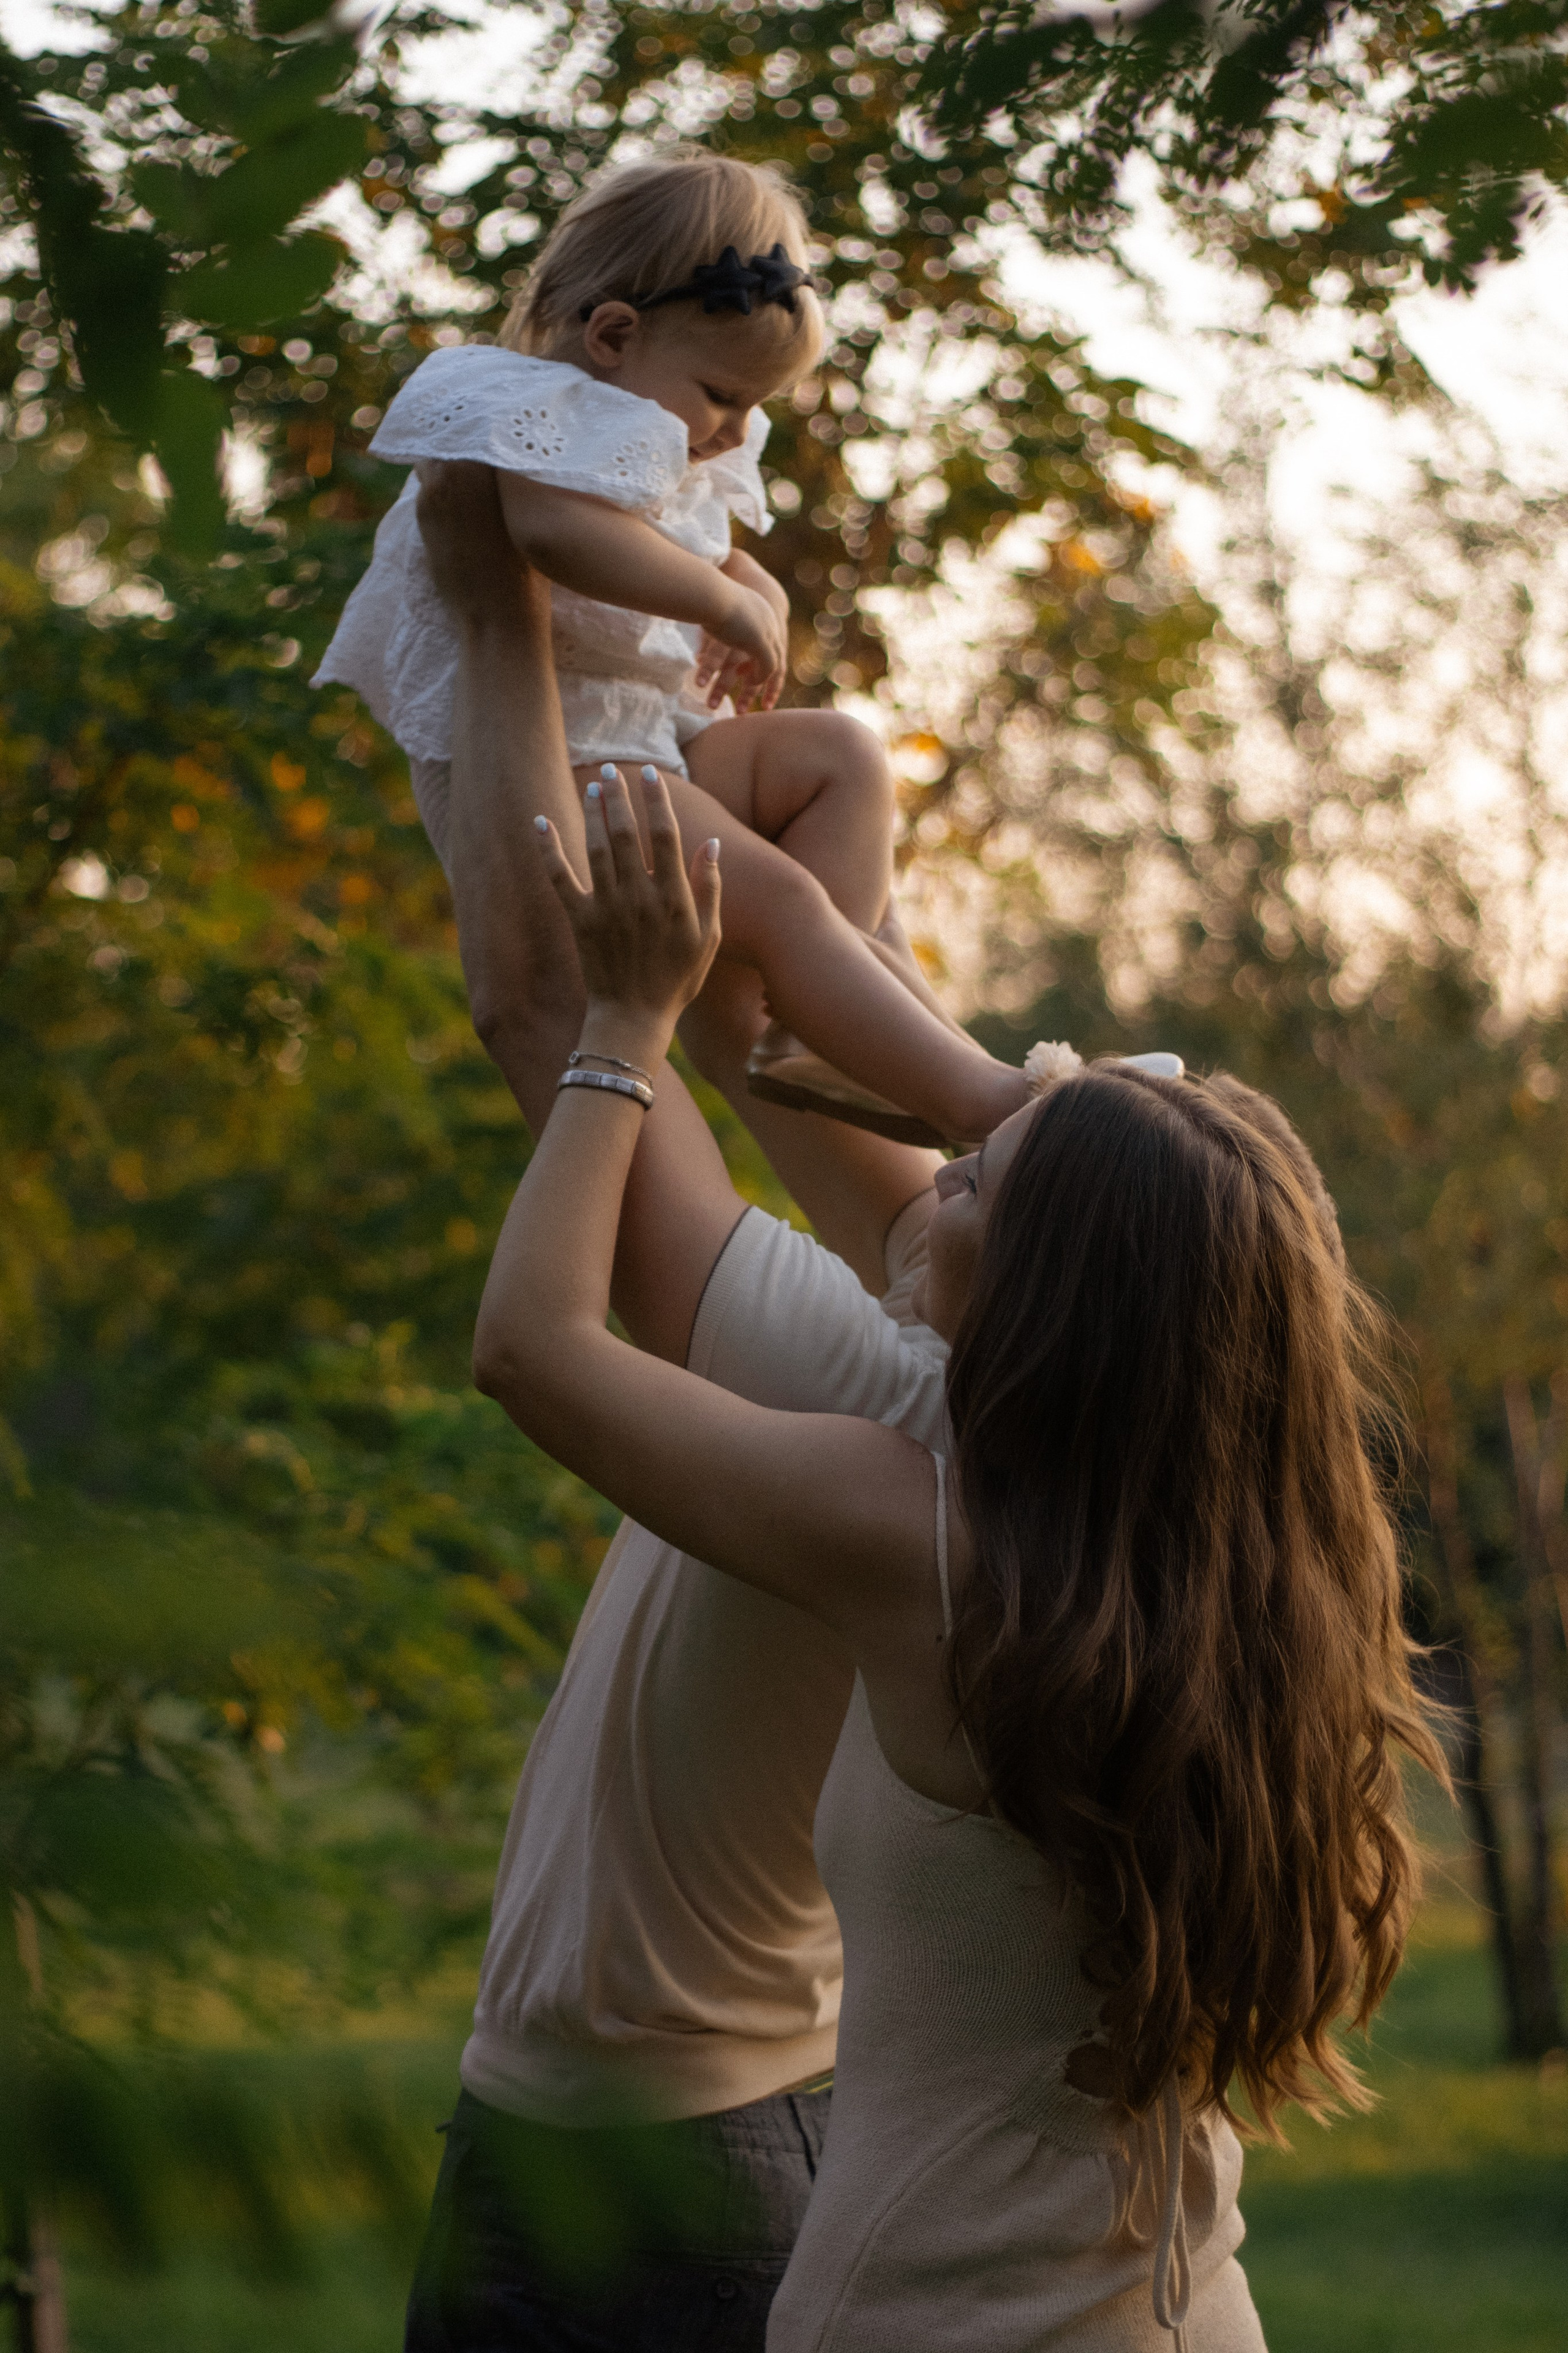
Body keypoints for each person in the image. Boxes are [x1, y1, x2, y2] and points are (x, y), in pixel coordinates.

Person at [470, 761, 1447, 2351]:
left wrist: (619, 1033)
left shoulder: (933, 1546)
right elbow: (791, 983)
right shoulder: (1271, 1602)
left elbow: (531, 1350)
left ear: (1054, 1300)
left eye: (978, 1179)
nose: (938, 1177)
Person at [401, 458, 957, 2353]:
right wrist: (819, 805)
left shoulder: (890, 1407)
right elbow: (808, 1056)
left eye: (992, 1178)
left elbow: (544, 1026)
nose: (942, 1174)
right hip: (589, 2116)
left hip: (679, 2170)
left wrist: (494, 629)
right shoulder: (987, 1389)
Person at [315, 147, 1053, 1147]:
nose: (734, 431)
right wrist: (719, 592)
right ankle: (990, 1107)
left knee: (844, 755)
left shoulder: (656, 422)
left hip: (643, 743)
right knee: (789, 899)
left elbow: (679, 543)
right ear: (612, 334)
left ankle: (799, 1024)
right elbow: (555, 535)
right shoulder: (522, 407)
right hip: (561, 770)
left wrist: (745, 581)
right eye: (723, 395)